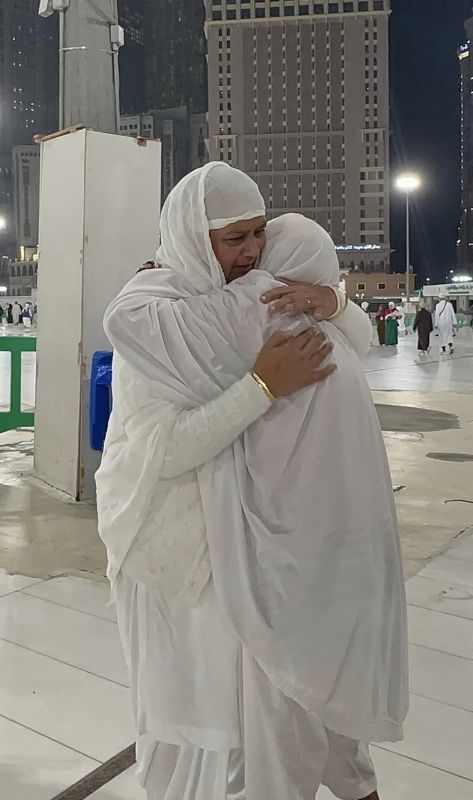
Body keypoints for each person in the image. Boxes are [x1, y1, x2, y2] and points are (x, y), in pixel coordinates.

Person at [97, 163, 407, 800]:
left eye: (258, 233)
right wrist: (261, 386)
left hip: (265, 547)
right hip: (190, 561)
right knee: (221, 726)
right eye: (233, 238)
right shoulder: (164, 317)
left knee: (294, 695)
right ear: (192, 234)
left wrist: (334, 300)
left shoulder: (262, 295)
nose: (252, 252)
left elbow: (354, 345)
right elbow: (167, 452)